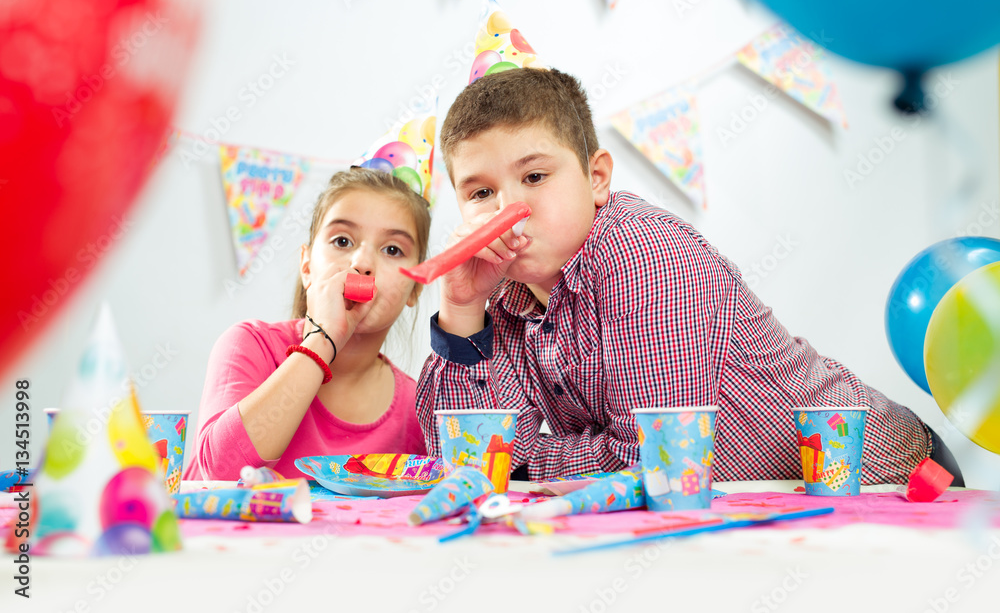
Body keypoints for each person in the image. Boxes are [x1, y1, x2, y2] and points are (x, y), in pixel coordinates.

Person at [416, 67, 964, 485]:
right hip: (738, 515)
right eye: (480, 192)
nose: (509, 207)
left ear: (597, 178)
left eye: (534, 176)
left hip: (889, 483)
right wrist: (463, 312)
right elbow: (464, 464)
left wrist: (525, 459)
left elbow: (654, 461)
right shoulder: (505, 293)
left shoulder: (644, 254)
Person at [185, 168, 430, 480]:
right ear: (307, 266)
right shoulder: (247, 345)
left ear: (416, 287)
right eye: (342, 241)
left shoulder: (416, 408)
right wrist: (322, 338)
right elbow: (224, 473)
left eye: (392, 249)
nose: (362, 264)